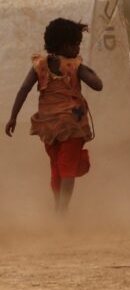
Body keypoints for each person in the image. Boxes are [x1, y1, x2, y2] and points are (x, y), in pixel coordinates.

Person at [5, 19, 104, 213]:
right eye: (76, 43)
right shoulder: (74, 66)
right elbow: (98, 85)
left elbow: (23, 89)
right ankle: (62, 211)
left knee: (56, 167)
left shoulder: (40, 65)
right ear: (65, 45)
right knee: (68, 168)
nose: (78, 48)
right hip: (71, 125)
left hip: (48, 126)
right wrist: (83, 66)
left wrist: (13, 117)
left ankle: (58, 209)